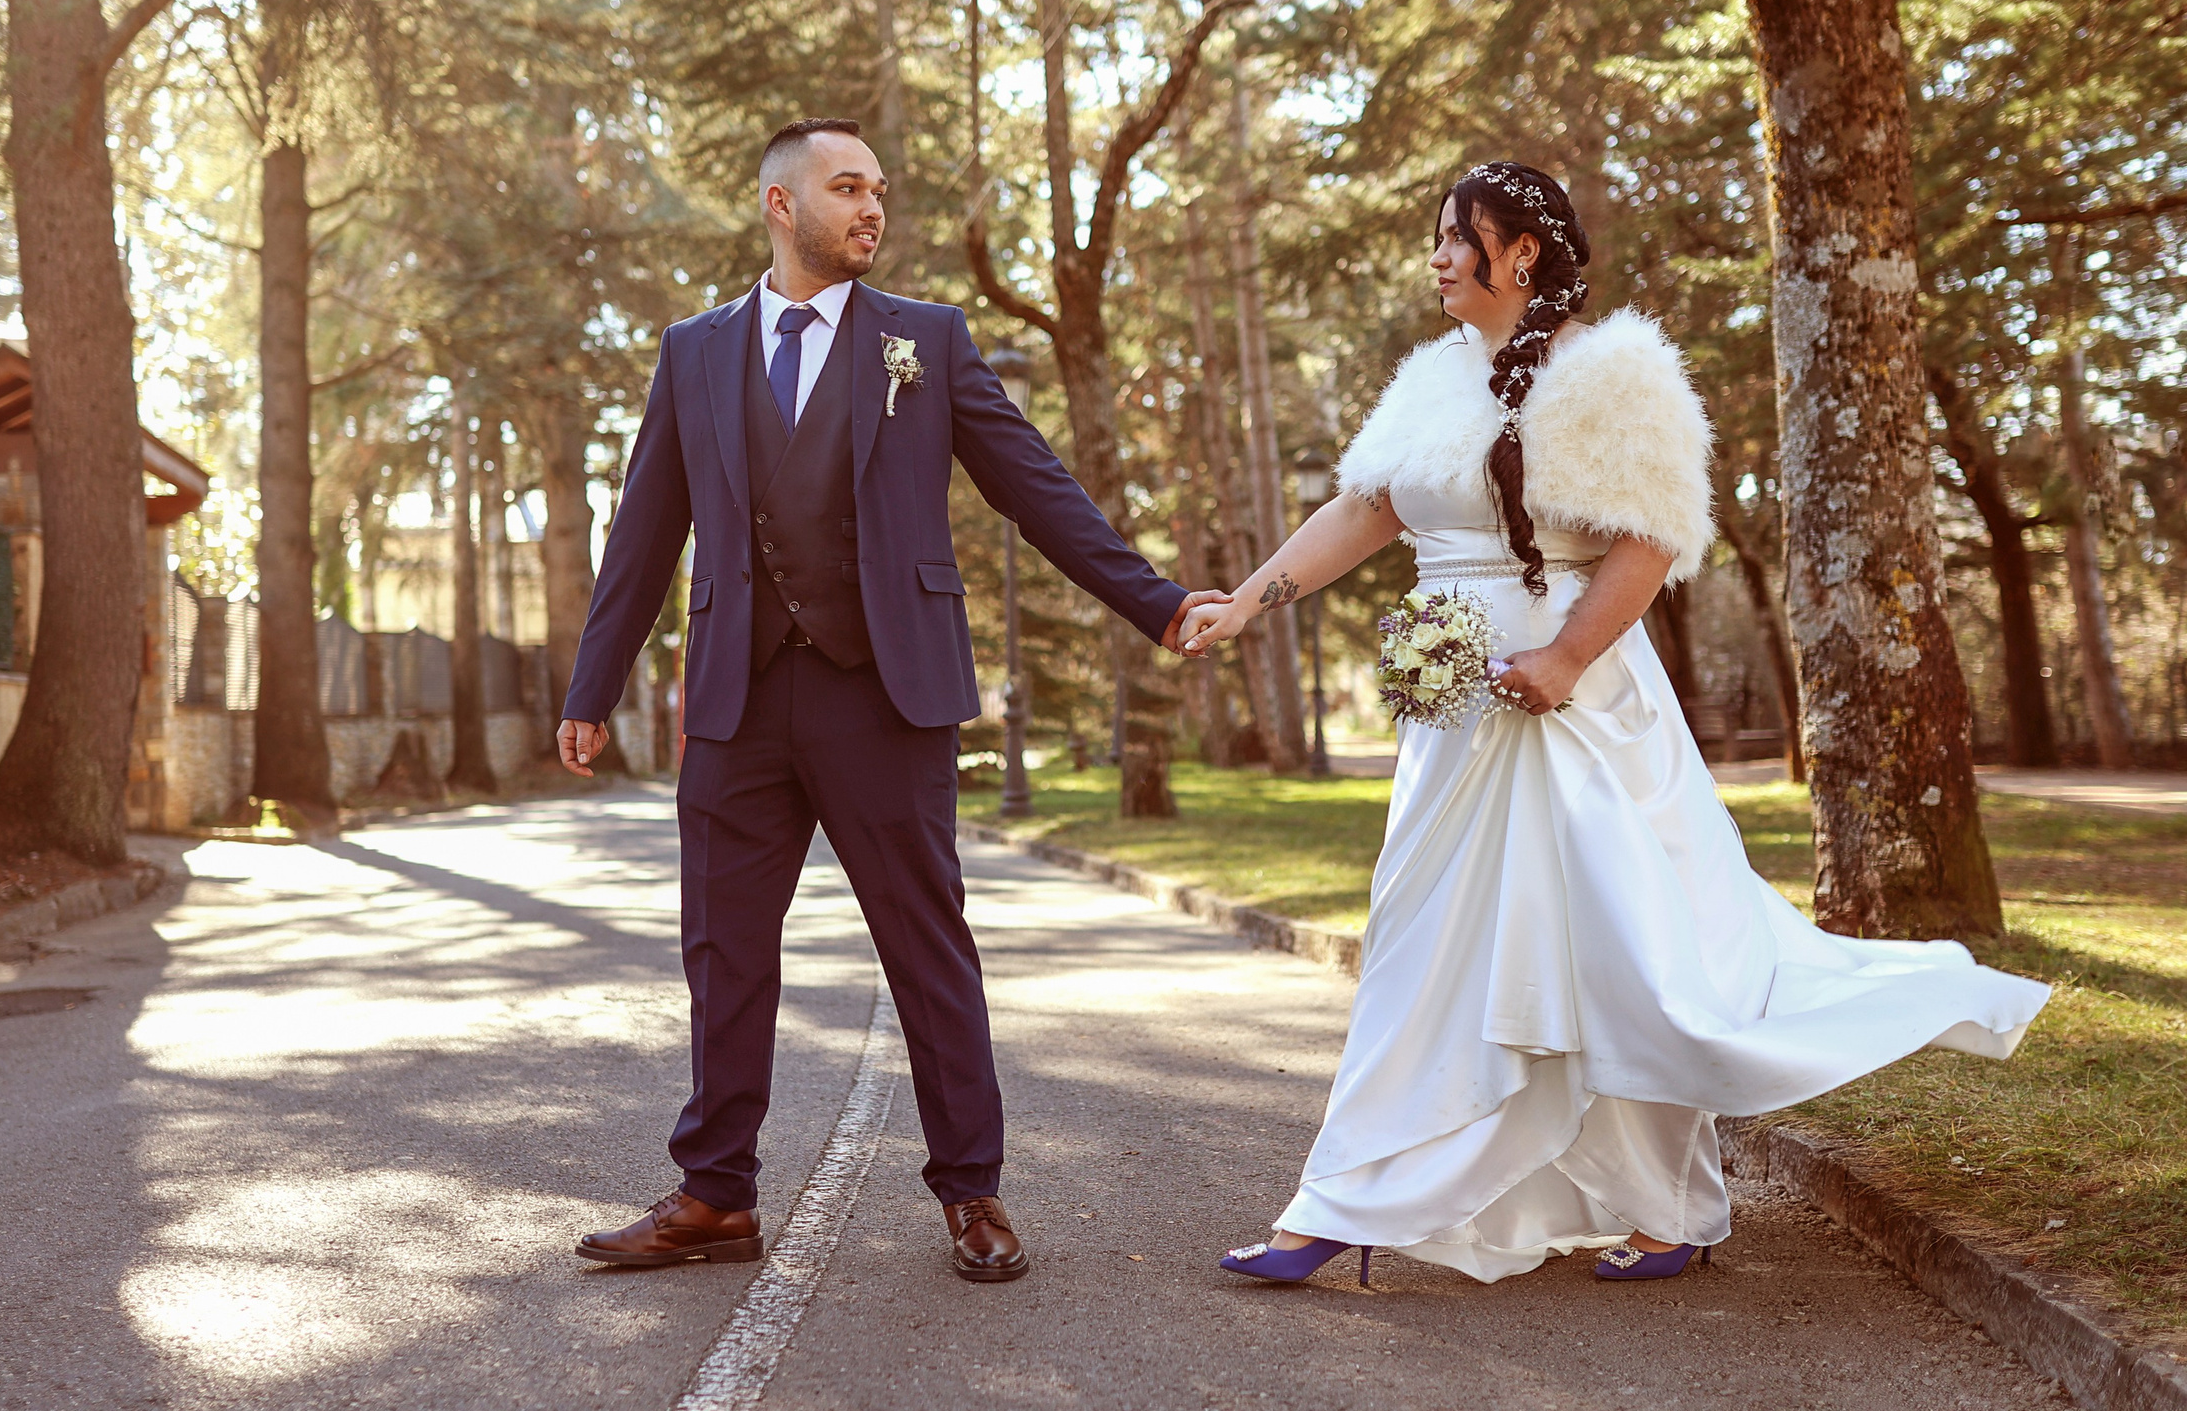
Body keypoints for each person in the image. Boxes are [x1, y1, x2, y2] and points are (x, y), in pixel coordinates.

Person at [1182, 162, 2049, 1286]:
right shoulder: (1434, 379)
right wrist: (1245, 602)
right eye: (1436, 239)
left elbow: (1646, 539)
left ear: (1522, 252)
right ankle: (1352, 1197)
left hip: (1573, 707)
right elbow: (1366, 506)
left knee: (1623, 961)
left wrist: (1561, 657)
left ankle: (1663, 1207)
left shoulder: (1612, 374)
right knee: (1421, 946)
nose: (1438, 258)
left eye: (1457, 238)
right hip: (1452, 717)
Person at [557, 118, 1222, 1283]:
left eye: (879, 191)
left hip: (886, 694)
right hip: (736, 697)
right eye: (847, 187)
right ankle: (715, 1197)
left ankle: (972, 1193)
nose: (872, 209)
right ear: (781, 205)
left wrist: (1155, 603)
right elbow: (645, 529)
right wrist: (593, 682)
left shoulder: (929, 340)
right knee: (722, 953)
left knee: (926, 948)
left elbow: (1035, 488)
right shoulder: (694, 352)